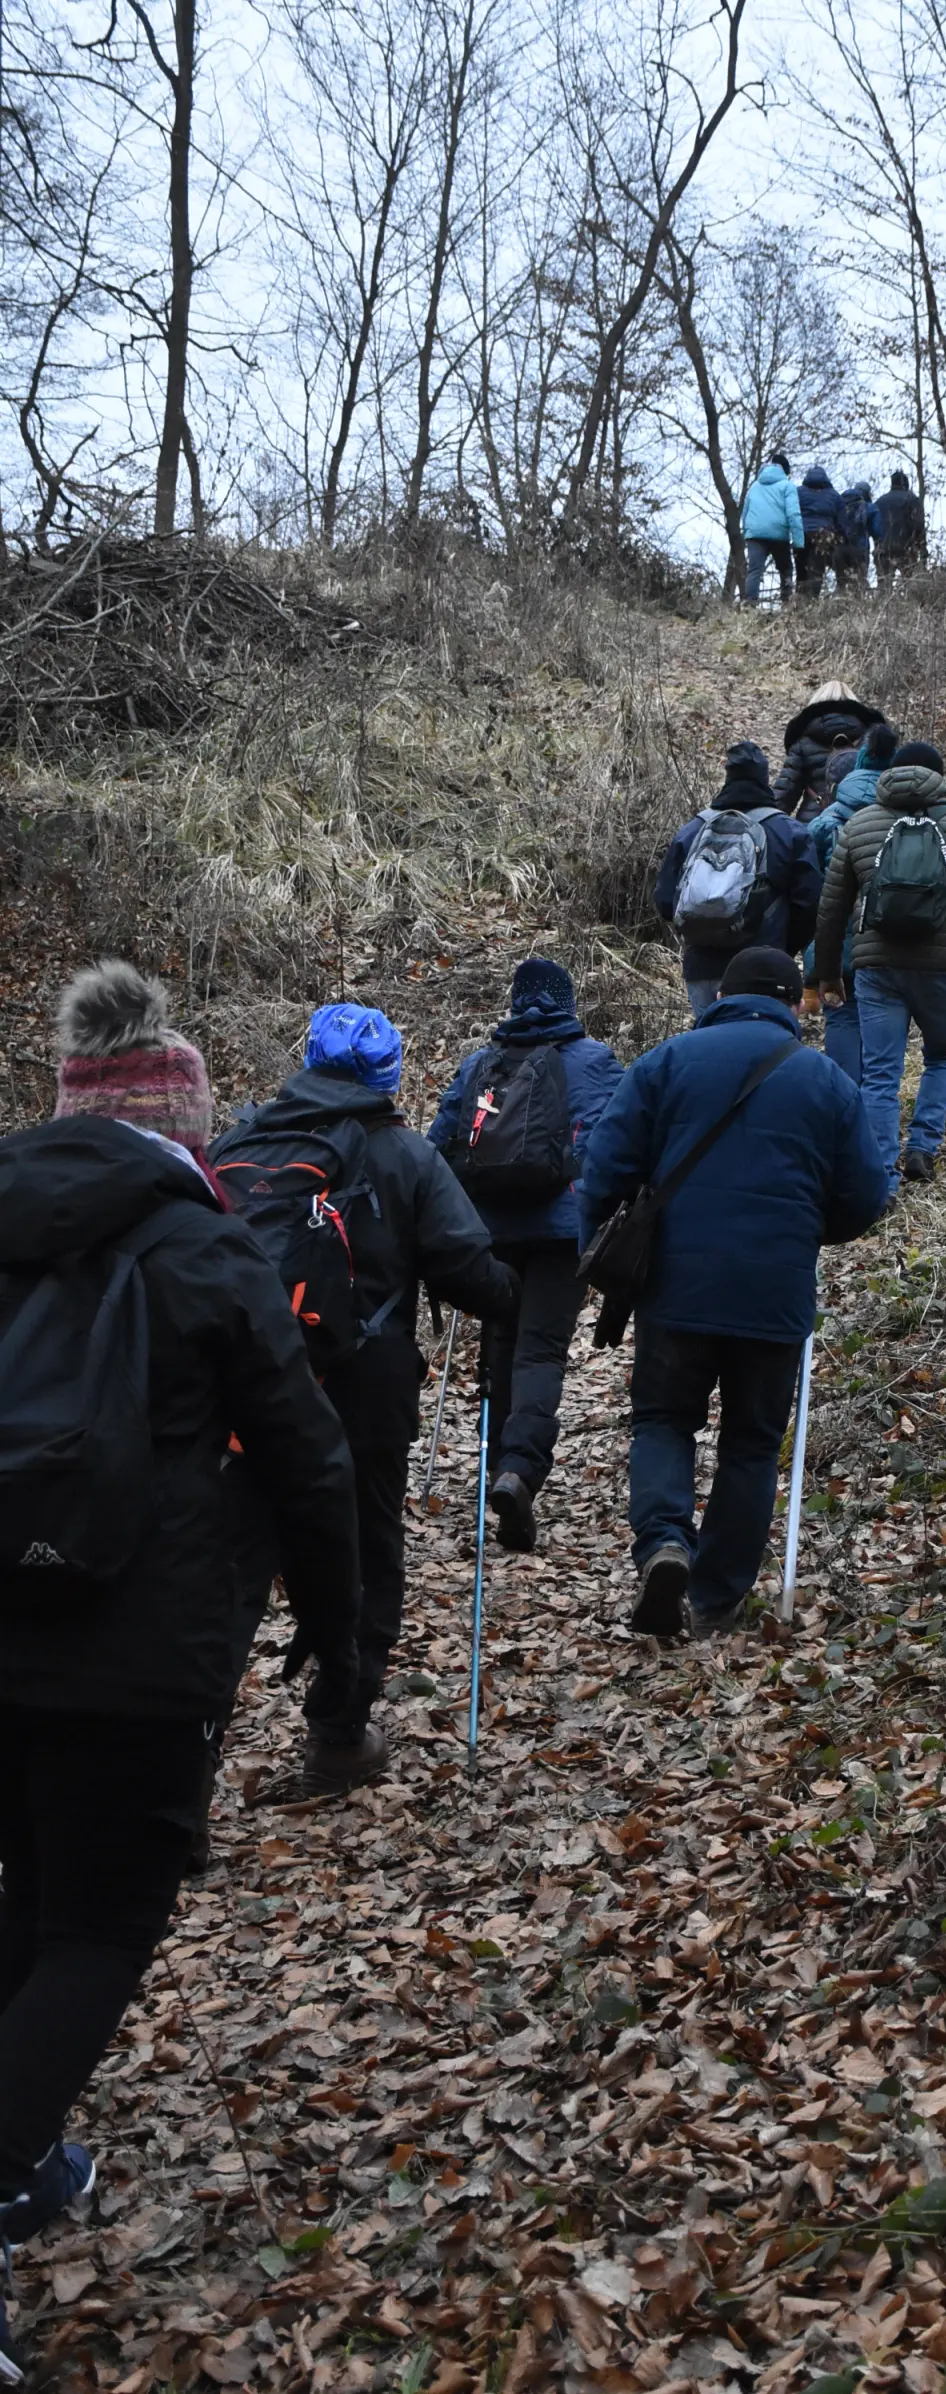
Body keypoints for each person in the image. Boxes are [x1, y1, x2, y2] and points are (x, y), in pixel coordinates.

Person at [0, 972, 359, 2387]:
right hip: (135, 1655)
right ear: (185, 1119)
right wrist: (337, 1650)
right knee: (99, 1927)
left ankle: (28, 2160)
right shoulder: (205, 1249)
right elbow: (309, 1459)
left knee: (34, 1896)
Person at [211, 1004, 518, 1792]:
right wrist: (520, 1291)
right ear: (389, 1073)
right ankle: (339, 1735)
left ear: (308, 1059)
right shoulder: (403, 1154)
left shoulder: (240, 1144)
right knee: (363, 1560)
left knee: (231, 1577)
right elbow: (470, 1272)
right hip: (362, 1397)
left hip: (246, 1399)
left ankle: (184, 1774)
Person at [577, 946, 888, 1640]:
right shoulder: (826, 1081)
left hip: (676, 1284)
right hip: (775, 1292)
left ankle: (663, 1542)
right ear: (789, 1004)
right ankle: (716, 1598)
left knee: (663, 1419)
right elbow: (868, 1195)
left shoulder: (664, 1064)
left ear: (723, 993)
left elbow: (604, 1165)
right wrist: (808, 1228)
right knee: (751, 1443)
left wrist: (596, 1251)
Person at [427, 958, 623, 1552]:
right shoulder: (595, 1062)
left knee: (501, 1345)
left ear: (515, 1003)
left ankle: (497, 1471)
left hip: (493, 1231)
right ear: (567, 1002)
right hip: (563, 1231)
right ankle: (520, 1471)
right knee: (541, 1351)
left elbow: (438, 1149)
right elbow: (620, 1144)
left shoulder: (481, 1065)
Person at [814, 740, 946, 1187]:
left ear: (887, 775)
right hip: (942, 968)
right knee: (944, 1056)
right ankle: (922, 1147)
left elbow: (831, 909)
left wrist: (827, 972)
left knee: (881, 1071)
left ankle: (882, 1172)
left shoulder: (860, 827)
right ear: (940, 777)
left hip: (876, 967)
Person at [656, 740, 823, 1022]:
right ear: (764, 778)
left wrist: (704, 929)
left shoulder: (694, 829)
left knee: (710, 1053)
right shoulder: (789, 832)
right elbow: (810, 904)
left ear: (728, 776)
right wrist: (782, 947)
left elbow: (664, 900)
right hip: (763, 969)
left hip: (702, 966)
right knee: (761, 1054)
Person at [801, 722, 899, 1082]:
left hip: (837, 936)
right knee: (885, 1014)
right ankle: (878, 1105)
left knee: (841, 1013)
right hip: (892, 935)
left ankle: (845, 1099)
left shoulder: (828, 819)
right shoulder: (907, 814)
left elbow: (808, 885)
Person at [773, 684, 889, 823]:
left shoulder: (802, 743)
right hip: (864, 825)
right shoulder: (873, 739)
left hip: (815, 824)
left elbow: (784, 795)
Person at [740, 454, 804, 605]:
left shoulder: (754, 486)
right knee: (785, 569)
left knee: (754, 570)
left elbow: (745, 513)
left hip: (754, 534)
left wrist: (748, 532)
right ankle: (786, 604)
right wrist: (798, 542)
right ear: (786, 472)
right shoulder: (788, 486)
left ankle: (750, 606)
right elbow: (793, 514)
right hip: (778, 534)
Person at [871, 470, 926, 583]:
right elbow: (919, 525)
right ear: (906, 484)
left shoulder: (879, 502)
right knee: (909, 585)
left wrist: (878, 544)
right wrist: (922, 548)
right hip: (906, 549)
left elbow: (872, 527)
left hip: (883, 550)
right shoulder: (912, 499)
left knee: (884, 586)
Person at [794, 466, 840, 597]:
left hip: (801, 535)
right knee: (817, 570)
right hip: (823, 536)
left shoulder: (798, 492)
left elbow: (792, 512)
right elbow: (841, 519)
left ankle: (799, 601)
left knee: (801, 570)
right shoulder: (834, 495)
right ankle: (812, 601)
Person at [834, 482, 874, 593]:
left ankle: (839, 607)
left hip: (840, 549)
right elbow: (877, 530)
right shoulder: (868, 507)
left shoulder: (839, 506)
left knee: (841, 583)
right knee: (859, 584)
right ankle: (857, 607)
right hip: (860, 549)